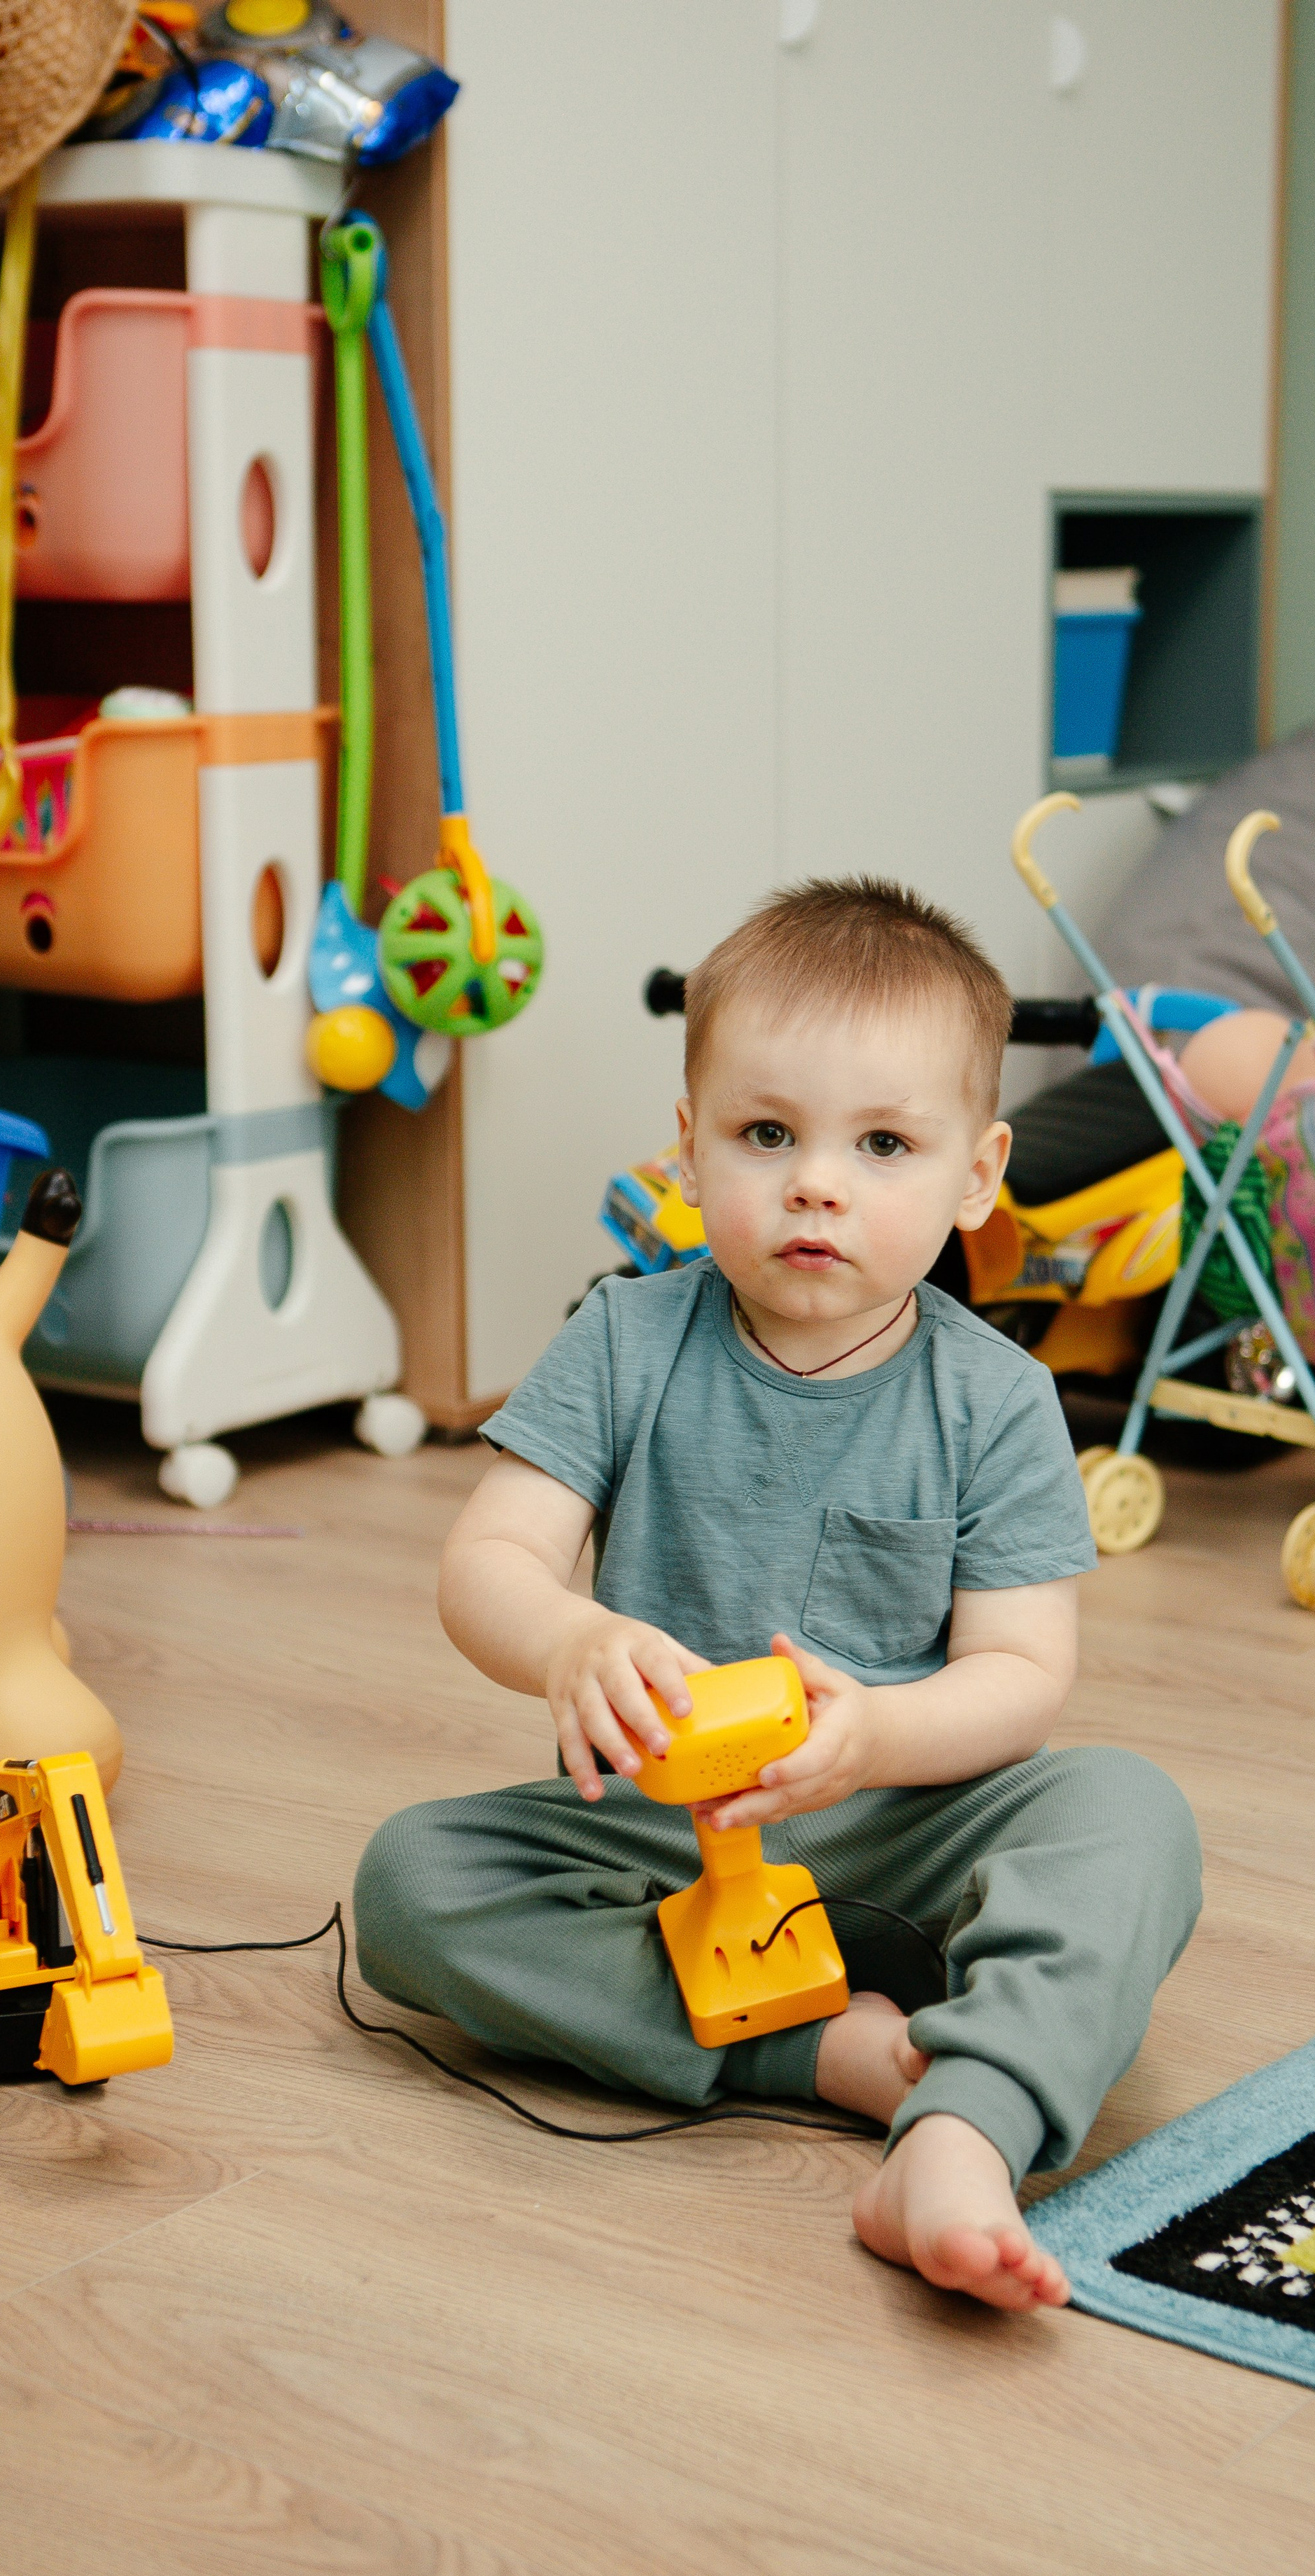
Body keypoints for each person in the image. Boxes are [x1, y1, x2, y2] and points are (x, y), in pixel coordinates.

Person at [354, 879, 1201, 2311]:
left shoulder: (995, 1396)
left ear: (977, 1175)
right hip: (661, 1848)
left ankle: (962, 2128)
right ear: (686, 1151)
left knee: (1130, 1817)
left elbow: (1019, 1674)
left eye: (881, 1144)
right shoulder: (623, 1340)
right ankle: (828, 2059)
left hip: (917, 1826)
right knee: (407, 1883)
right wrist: (571, 1637)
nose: (816, 1182)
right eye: (765, 1135)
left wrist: (870, 1740)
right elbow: (486, 1564)